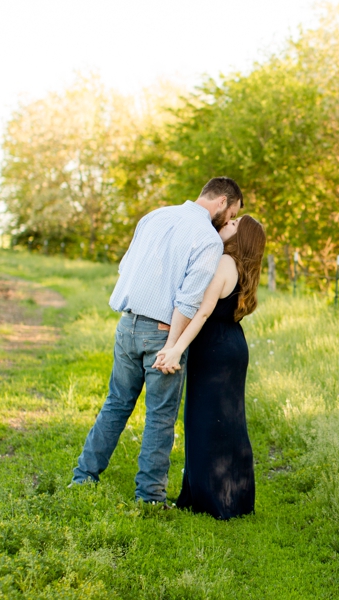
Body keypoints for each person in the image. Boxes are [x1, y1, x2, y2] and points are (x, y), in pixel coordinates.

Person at [70, 177, 242, 503]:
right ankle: (149, 497)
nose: (230, 218)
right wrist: (173, 347)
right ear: (223, 202)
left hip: (127, 324)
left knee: (116, 404)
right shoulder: (208, 239)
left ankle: (83, 478)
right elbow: (189, 300)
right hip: (163, 330)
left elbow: (127, 267)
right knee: (160, 417)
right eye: (233, 210)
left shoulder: (155, 216)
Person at [153, 215, 265, 519]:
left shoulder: (224, 262)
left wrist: (176, 348)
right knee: (227, 423)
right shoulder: (241, 266)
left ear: (240, 236)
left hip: (214, 349)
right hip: (230, 345)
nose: (227, 222)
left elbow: (202, 313)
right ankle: (232, 498)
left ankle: (216, 501)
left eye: (235, 223)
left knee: (205, 422)